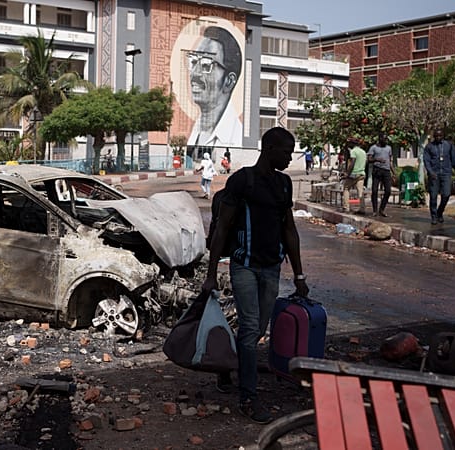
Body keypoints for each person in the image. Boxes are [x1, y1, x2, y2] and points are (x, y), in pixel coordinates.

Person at [203, 126, 309, 425]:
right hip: (245, 266)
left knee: (258, 330)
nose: (289, 158)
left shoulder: (284, 183)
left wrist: (299, 275)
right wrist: (211, 274)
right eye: (286, 152)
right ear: (270, 149)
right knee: (250, 328)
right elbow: (222, 227)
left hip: (271, 267)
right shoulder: (242, 180)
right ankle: (248, 397)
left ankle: (227, 366)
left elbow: (289, 229)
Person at [186, 26, 243, 149]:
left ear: (229, 81)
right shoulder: (194, 131)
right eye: (194, 62)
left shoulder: (237, 138)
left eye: (206, 64)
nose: (195, 73)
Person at [423, 129, 455, 224]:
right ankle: (434, 216)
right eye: (436, 136)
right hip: (434, 175)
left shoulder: (448, 145)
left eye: (440, 136)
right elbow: (426, 161)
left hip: (446, 173)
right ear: (434, 136)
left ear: (443, 136)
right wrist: (430, 172)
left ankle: (439, 212)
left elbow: (454, 160)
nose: (438, 137)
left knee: (446, 194)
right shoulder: (429, 146)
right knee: (433, 196)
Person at [367, 133, 393, 217]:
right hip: (377, 170)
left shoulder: (389, 148)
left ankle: (382, 209)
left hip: (386, 171)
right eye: (384, 139)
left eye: (386, 139)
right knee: (374, 190)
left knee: (388, 191)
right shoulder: (373, 148)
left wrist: (393, 172)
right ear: (380, 139)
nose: (386, 141)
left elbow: (390, 160)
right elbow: (369, 159)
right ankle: (375, 210)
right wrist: (377, 160)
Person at [342, 137, 367, 215]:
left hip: (354, 174)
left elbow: (352, 163)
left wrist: (347, 174)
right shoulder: (363, 152)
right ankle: (362, 209)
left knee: (346, 188)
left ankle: (346, 207)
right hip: (361, 174)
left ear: (352, 144)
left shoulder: (353, 151)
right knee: (360, 192)